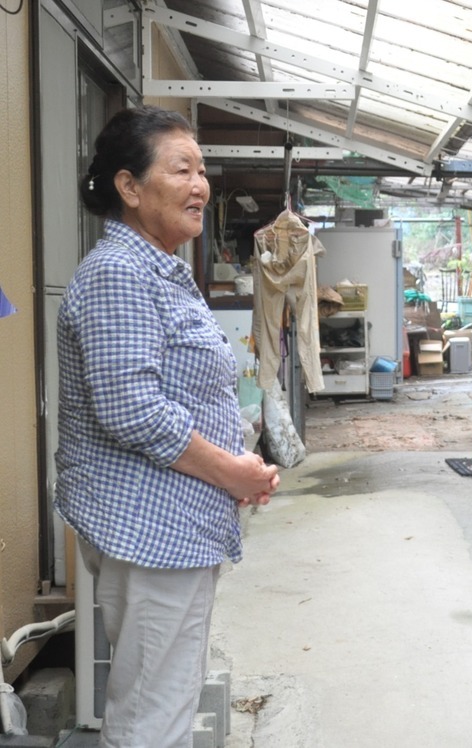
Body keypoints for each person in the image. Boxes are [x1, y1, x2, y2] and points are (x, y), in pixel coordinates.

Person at [56, 105, 280, 747]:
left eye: (202, 170)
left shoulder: (160, 270)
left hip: (173, 525)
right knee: (153, 715)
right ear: (129, 187)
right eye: (181, 168)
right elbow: (133, 411)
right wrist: (233, 470)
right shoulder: (120, 275)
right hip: (150, 529)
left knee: (164, 700)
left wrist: (237, 464)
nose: (201, 185)